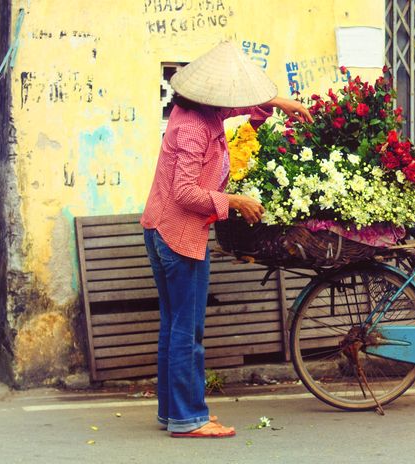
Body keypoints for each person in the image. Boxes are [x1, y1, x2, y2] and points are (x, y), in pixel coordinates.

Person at [140, 41, 312, 438]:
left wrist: (279, 102)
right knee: (187, 330)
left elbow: (236, 107)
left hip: (163, 230)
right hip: (177, 236)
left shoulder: (194, 110)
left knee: (174, 327)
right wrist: (232, 200)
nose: (230, 102)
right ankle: (189, 419)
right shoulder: (194, 129)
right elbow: (184, 192)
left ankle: (175, 413)